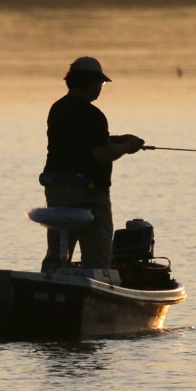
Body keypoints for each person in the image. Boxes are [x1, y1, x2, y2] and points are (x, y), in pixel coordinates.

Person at [40, 56, 145, 272]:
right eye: (101, 83)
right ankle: (94, 296)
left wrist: (119, 139)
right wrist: (126, 147)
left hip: (57, 191)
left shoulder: (58, 108)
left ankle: (50, 286)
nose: (101, 87)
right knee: (97, 259)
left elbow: (79, 142)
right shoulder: (93, 114)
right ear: (90, 82)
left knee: (58, 253)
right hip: (88, 195)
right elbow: (102, 154)